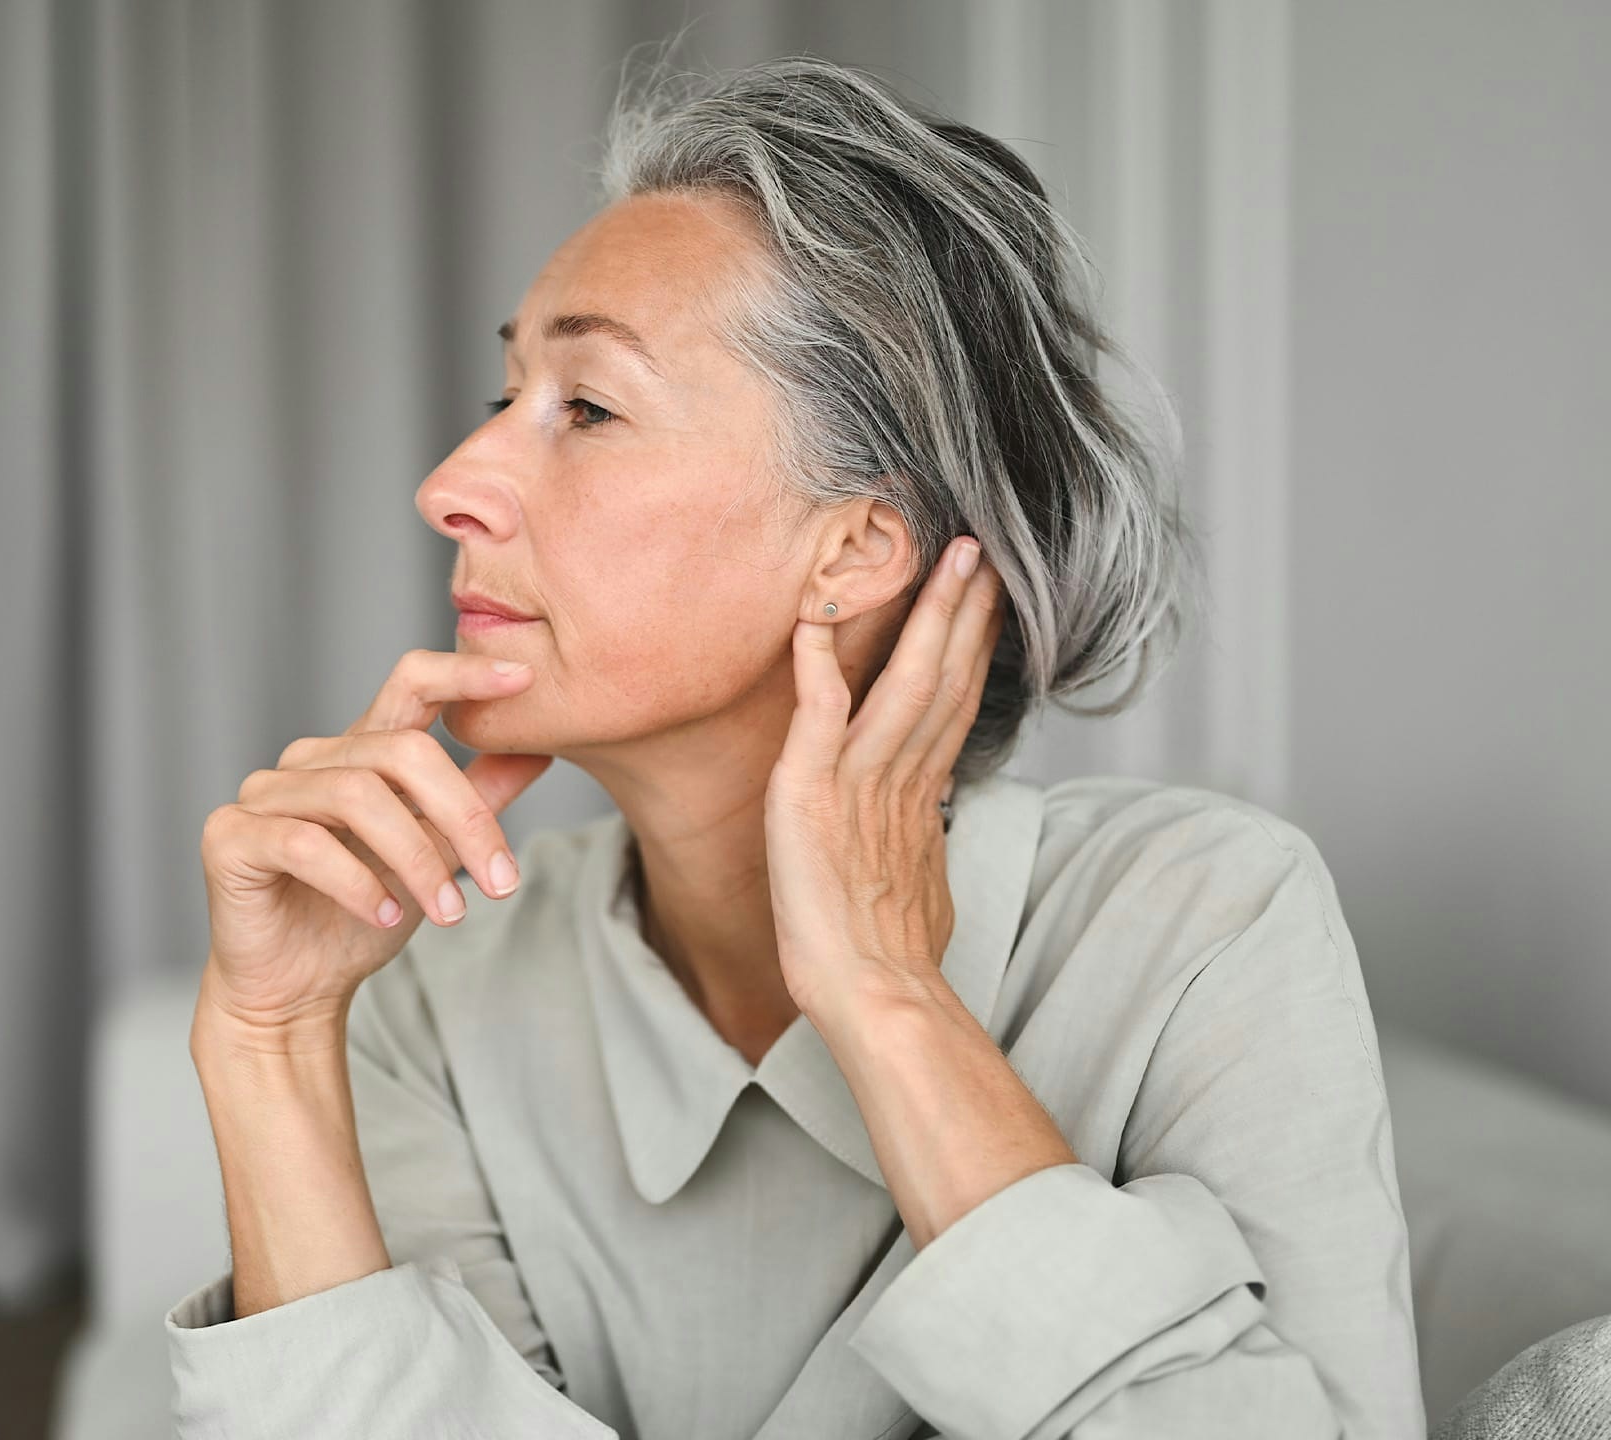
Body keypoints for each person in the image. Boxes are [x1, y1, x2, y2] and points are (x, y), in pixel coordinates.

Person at [164, 49, 1425, 1440]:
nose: (449, 487)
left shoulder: (1200, 923)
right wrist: (268, 1039)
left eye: (585, 407)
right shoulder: (432, 995)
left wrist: (888, 996)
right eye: (500, 399)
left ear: (854, 553)